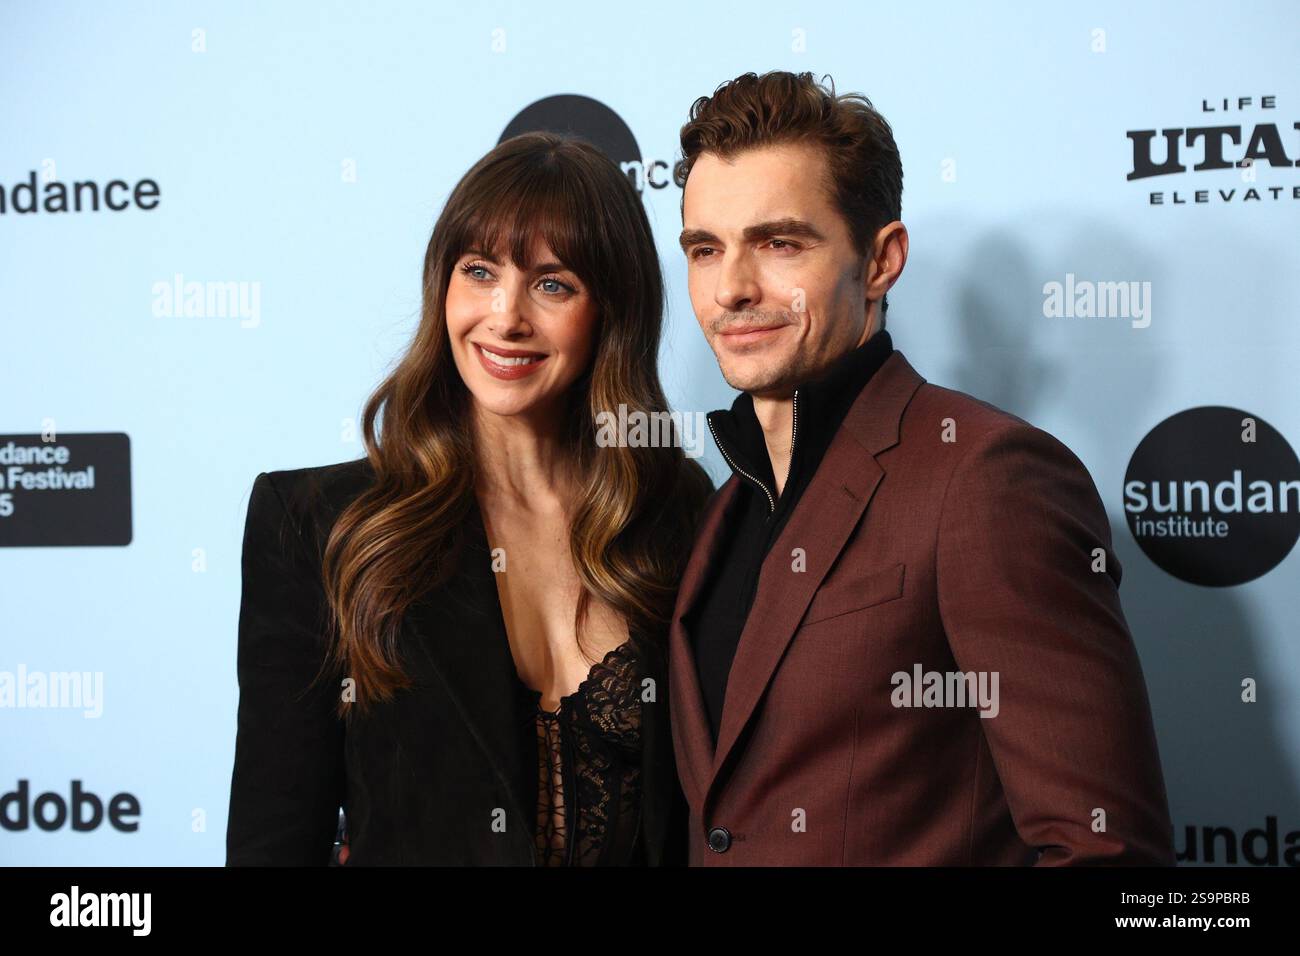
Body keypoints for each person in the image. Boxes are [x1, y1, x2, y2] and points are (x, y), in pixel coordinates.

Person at [669, 70, 1175, 865]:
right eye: (706, 249)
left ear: (880, 261)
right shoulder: (721, 511)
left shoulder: (986, 478)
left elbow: (1108, 852)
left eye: (779, 244)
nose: (732, 288)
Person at [225, 132, 713, 866]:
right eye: (479, 271)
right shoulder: (320, 523)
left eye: (553, 284)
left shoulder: (674, 508)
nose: (506, 315)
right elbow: (275, 834)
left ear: (611, 309)